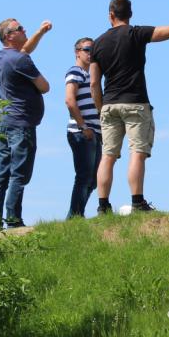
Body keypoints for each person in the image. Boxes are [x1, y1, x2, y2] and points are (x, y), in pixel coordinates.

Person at [90, 0, 169, 213]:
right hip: (135, 102)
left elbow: (94, 83)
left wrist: (100, 108)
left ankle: (103, 206)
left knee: (108, 156)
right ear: (130, 15)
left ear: (110, 15)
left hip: (109, 104)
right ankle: (137, 201)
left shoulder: (98, 43)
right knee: (137, 153)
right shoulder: (136, 33)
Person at [0, 19, 51, 229]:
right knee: (19, 174)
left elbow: (24, 50)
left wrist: (40, 32)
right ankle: (14, 219)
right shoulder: (21, 61)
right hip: (21, 124)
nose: (24, 31)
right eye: (20, 29)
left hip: (5, 122)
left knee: (1, 174)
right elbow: (44, 86)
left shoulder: (1, 56)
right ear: (9, 36)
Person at [64, 37, 101, 219]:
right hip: (82, 132)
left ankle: (77, 215)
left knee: (93, 180)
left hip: (95, 132)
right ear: (77, 52)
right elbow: (70, 100)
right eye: (87, 49)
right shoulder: (75, 72)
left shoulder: (91, 75)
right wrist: (83, 126)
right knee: (84, 176)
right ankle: (74, 216)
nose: (90, 53)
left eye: (93, 50)